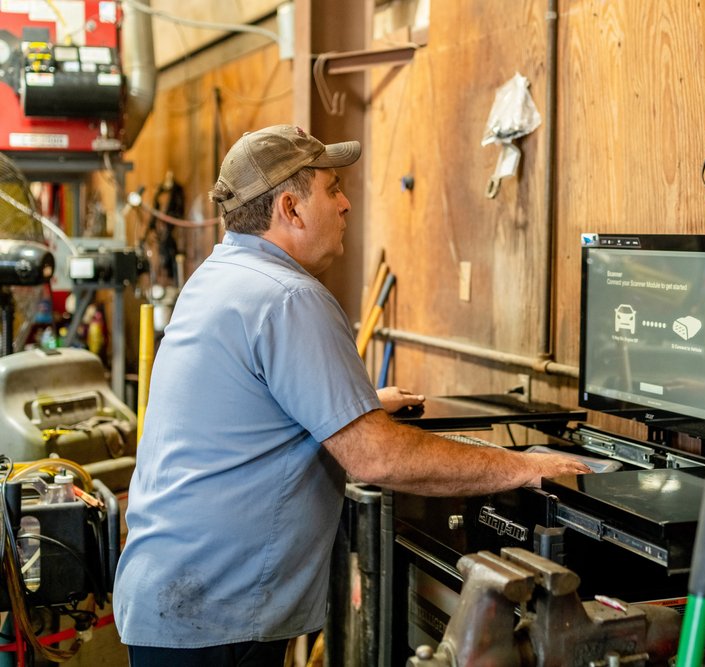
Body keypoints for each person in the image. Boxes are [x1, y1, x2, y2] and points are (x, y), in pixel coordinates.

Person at [112, 124, 591, 666]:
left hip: (176, 598)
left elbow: (253, 402)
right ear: (290, 209)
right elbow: (378, 457)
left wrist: (350, 404)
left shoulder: (222, 276)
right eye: (333, 188)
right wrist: (524, 467)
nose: (345, 205)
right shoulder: (289, 297)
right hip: (216, 617)